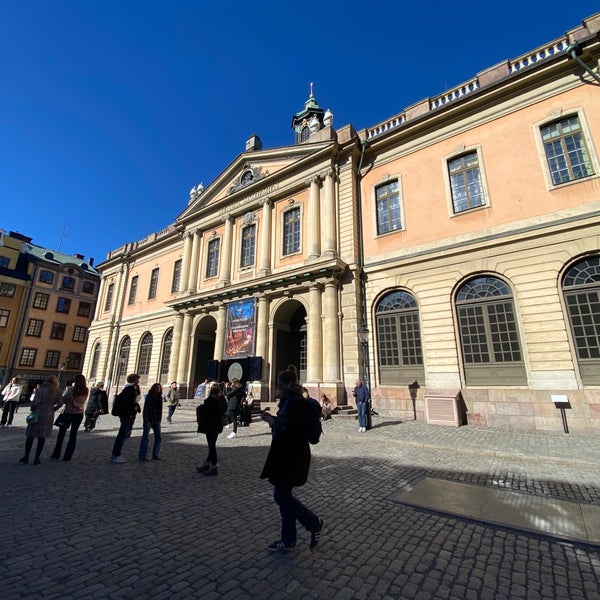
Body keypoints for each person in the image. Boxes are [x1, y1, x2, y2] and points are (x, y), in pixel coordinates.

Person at [260, 368, 324, 551]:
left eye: (280, 384)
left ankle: (313, 523)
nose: (278, 388)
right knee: (284, 496)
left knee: (281, 496)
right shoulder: (291, 401)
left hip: (291, 455)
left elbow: (291, 430)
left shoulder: (295, 403)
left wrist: (274, 423)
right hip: (287, 454)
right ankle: (288, 539)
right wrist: (273, 420)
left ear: (287, 384)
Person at [20, 376, 63, 465]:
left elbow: (35, 402)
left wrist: (32, 410)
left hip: (38, 412)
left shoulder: (40, 390)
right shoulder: (57, 391)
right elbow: (60, 403)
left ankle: (26, 457)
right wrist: (53, 409)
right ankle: (37, 458)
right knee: (42, 436)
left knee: (30, 435)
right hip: (49, 414)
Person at [51, 374, 89, 461]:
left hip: (69, 413)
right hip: (79, 413)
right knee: (73, 435)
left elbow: (64, 400)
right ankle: (68, 456)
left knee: (61, 435)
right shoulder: (86, 390)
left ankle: (56, 454)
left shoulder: (71, 389)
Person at [196, 382, 227, 476]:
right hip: (217, 427)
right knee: (212, 446)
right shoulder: (221, 400)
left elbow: (205, 413)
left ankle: (213, 467)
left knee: (212, 447)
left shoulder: (210, 401)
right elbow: (225, 409)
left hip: (210, 427)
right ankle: (207, 464)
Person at [110, 373, 141, 464]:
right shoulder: (130, 390)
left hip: (124, 414)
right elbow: (128, 403)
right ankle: (116, 455)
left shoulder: (127, 389)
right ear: (134, 380)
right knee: (122, 434)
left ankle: (116, 454)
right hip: (126, 415)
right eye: (137, 380)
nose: (138, 381)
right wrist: (131, 412)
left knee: (123, 434)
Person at [139, 383, 163, 461]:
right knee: (145, 437)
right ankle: (142, 456)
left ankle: (155, 455)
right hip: (149, 419)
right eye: (157, 388)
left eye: (159, 388)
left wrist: (159, 419)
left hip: (156, 420)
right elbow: (146, 410)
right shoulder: (149, 397)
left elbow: (160, 410)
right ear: (154, 388)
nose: (158, 389)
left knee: (158, 437)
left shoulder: (160, 398)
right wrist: (147, 421)